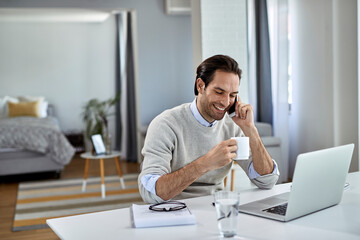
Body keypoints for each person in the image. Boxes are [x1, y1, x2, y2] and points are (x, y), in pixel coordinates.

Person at [138, 55, 279, 203]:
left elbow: (267, 181)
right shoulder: (165, 125)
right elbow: (150, 192)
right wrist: (205, 163)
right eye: (219, 92)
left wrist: (250, 129)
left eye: (232, 95)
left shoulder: (233, 125)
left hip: (216, 208)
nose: (225, 102)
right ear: (200, 85)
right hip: (173, 210)